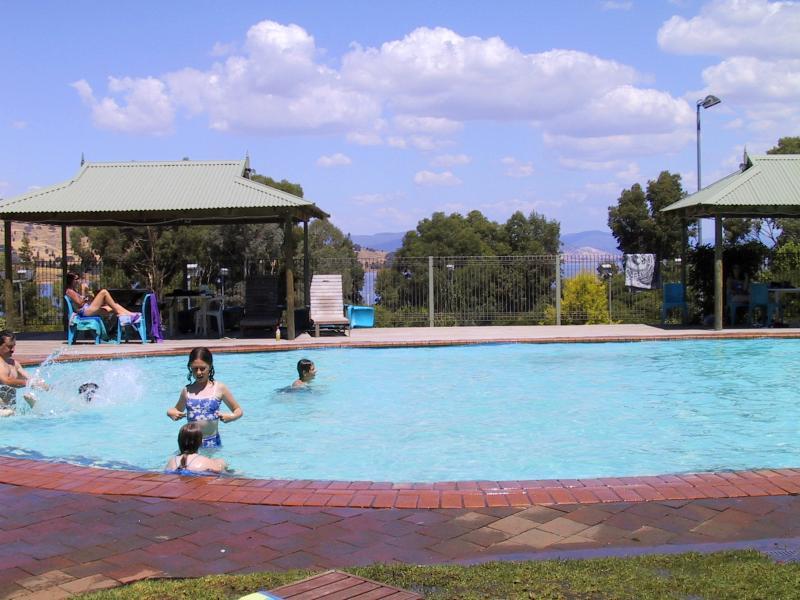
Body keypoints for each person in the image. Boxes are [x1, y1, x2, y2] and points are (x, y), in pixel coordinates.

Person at [167, 347, 243, 448]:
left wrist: (232, 417)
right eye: (195, 368)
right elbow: (176, 409)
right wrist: (170, 412)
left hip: (212, 442)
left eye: (202, 368)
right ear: (190, 367)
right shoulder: (187, 391)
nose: (198, 372)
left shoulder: (219, 388)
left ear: (210, 367)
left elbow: (238, 410)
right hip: (191, 445)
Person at [0, 330, 48, 416]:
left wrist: (42, 384)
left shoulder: (14, 363)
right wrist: (28, 383)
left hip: (9, 410)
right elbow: (7, 381)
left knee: (13, 412)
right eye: (9, 346)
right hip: (2, 412)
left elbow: (30, 378)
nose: (13, 350)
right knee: (8, 413)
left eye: (14, 346)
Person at [65, 271, 136, 319]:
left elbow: (83, 301)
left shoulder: (74, 290)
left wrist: (88, 296)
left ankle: (131, 315)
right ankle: (126, 314)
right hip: (85, 312)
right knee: (104, 292)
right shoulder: (69, 291)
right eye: (76, 279)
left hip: (88, 309)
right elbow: (80, 303)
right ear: (71, 280)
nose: (78, 280)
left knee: (114, 306)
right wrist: (83, 291)